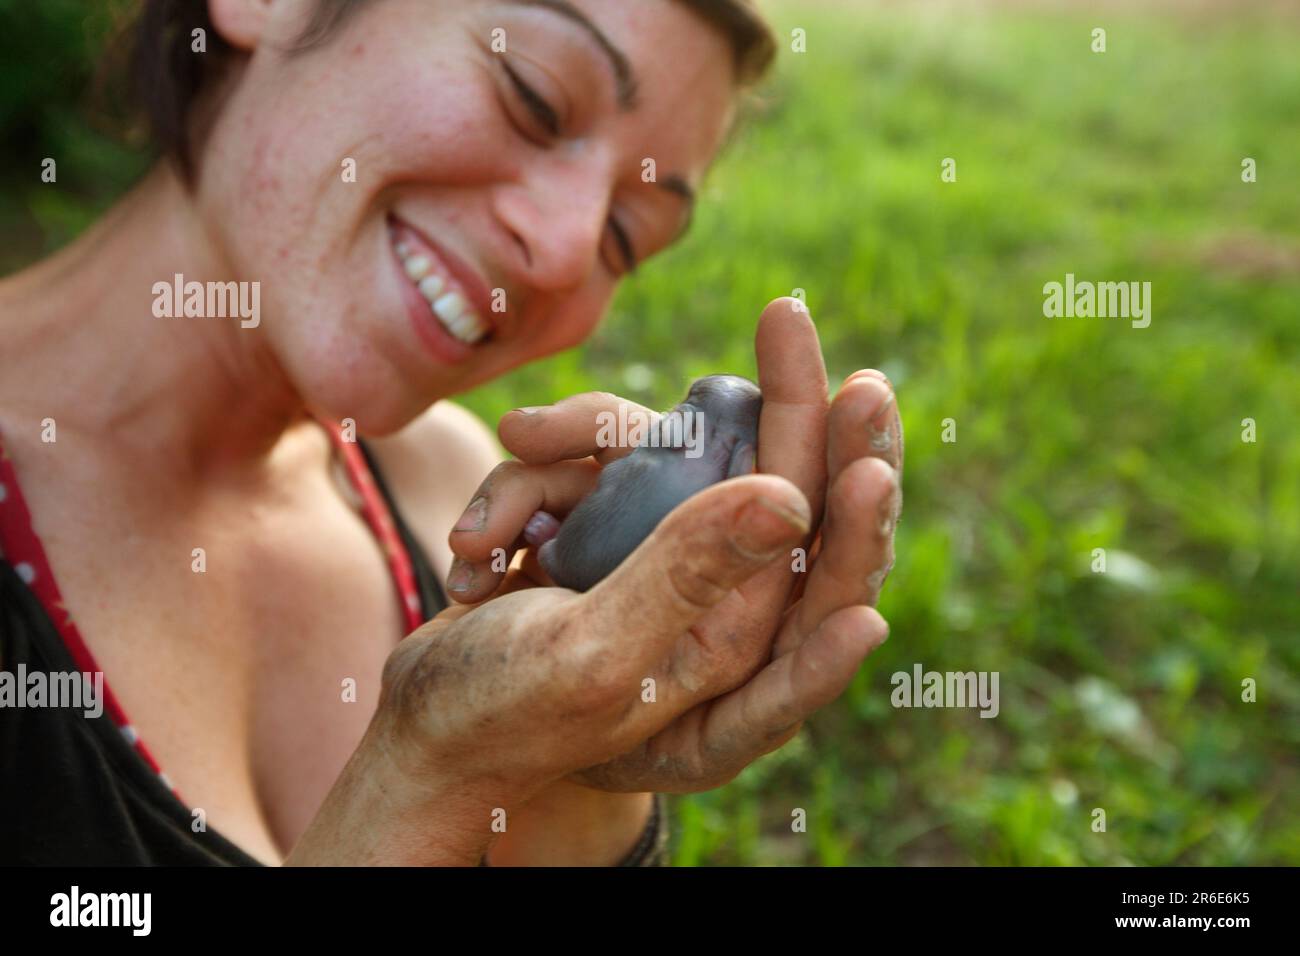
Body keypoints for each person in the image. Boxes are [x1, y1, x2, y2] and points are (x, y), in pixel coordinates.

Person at [0, 0, 904, 866]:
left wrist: (568, 752)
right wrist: (428, 775)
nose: (561, 251)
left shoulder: (460, 501)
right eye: (534, 96)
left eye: (626, 235)